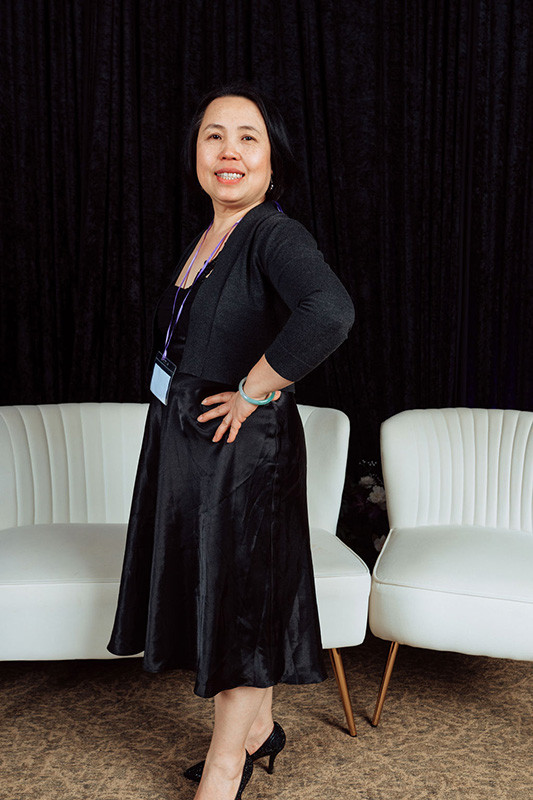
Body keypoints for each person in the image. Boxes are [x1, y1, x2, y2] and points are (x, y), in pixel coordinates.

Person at [107, 83, 355, 800]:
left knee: (239, 603)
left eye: (248, 137)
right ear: (195, 153)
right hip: (192, 443)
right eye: (213, 135)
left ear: (273, 160)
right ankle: (259, 727)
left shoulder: (273, 233)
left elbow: (330, 311)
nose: (229, 151)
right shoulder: (212, 234)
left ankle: (224, 769)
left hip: (241, 450)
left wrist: (254, 388)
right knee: (231, 593)